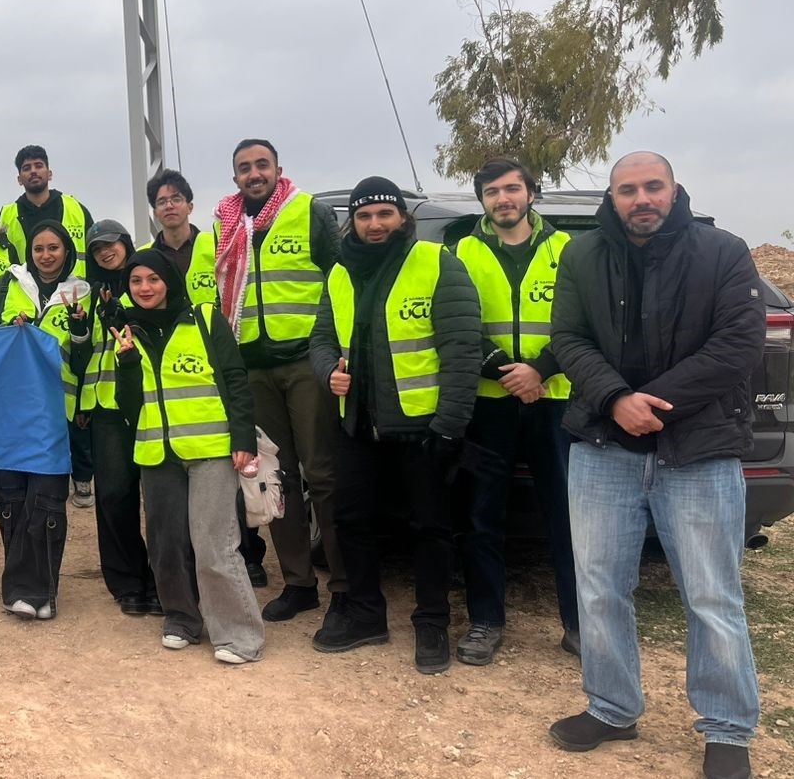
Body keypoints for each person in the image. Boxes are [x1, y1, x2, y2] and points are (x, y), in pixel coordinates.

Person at [547, 153, 762, 779]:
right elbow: (568, 338)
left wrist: (654, 403)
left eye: (653, 186)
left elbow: (738, 346)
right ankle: (612, 709)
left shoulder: (723, 251)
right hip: (603, 448)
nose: (642, 198)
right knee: (600, 588)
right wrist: (616, 399)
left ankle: (726, 728)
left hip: (698, 450)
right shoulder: (581, 255)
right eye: (628, 189)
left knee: (711, 595)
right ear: (611, 198)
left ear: (674, 190)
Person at [307, 176, 481, 674]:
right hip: (357, 425)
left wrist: (449, 425)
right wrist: (328, 373)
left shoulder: (435, 262)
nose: (374, 224)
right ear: (352, 223)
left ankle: (431, 622)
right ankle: (366, 615)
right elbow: (321, 339)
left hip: (421, 425)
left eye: (384, 213)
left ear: (402, 218)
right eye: (364, 216)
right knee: (351, 522)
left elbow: (462, 347)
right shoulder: (340, 272)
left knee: (430, 527)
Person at [450, 159, 579, 666]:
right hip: (490, 403)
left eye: (512, 189)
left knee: (568, 518)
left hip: (557, 401)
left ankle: (579, 624)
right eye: (492, 191)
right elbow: (460, 324)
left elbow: (579, 321)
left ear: (530, 193)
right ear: (481, 200)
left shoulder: (566, 249)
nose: (503, 198)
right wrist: (511, 372)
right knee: (482, 516)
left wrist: (541, 370)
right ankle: (486, 621)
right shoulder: (462, 252)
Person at [114, 249, 266, 664]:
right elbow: (128, 407)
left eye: (153, 279)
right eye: (136, 281)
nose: (144, 288)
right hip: (156, 453)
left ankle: (238, 635)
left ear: (168, 280)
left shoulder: (202, 317)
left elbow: (234, 378)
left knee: (214, 543)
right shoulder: (125, 331)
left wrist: (242, 437)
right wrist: (126, 364)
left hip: (210, 449)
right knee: (165, 544)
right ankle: (181, 618)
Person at [213, 139, 343, 616]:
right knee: (275, 477)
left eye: (261, 165)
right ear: (235, 178)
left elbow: (341, 279)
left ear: (278, 169)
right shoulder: (226, 225)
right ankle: (299, 583)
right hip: (254, 368)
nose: (254, 174)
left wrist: (334, 350)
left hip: (305, 363)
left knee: (323, 474)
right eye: (244, 168)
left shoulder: (309, 211)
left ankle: (345, 587)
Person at [0, 219, 88, 621]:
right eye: (39, 249)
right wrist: (7, 330)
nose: (46, 256)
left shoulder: (84, 292)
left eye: (54, 248)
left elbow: (87, 355)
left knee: (46, 502)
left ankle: (43, 591)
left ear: (67, 251)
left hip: (54, 414)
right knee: (10, 498)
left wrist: (79, 329)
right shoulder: (5, 287)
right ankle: (17, 589)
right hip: (8, 411)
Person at [77, 218, 159, 616]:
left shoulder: (146, 282)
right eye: (97, 248)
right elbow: (83, 353)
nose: (105, 251)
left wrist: (122, 312)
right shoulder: (87, 295)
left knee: (161, 500)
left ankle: (165, 579)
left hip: (154, 403)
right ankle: (127, 581)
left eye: (111, 243)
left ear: (125, 243)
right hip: (107, 405)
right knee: (113, 497)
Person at [0, 145, 93, 277]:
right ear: (19, 179)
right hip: (25, 293)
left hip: (73, 293)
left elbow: (95, 252)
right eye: (27, 168)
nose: (33, 171)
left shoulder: (76, 209)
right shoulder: (6, 216)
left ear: (49, 174)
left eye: (39, 166)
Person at [143, 170, 216, 306]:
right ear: (155, 213)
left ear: (190, 207)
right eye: (162, 202)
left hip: (213, 326)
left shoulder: (217, 245)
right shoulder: (144, 255)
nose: (169, 206)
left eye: (176, 199)